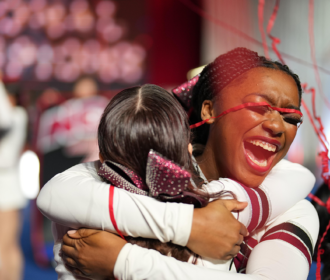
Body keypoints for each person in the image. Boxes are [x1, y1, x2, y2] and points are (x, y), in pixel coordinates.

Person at [37, 48, 319, 279]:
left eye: (291, 118)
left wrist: (123, 261)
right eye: (259, 107)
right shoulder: (143, 167)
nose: (277, 126)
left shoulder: (293, 208)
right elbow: (56, 193)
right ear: (210, 110)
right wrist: (192, 226)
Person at [0, 81, 28, 280]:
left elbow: (4, 120)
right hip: (11, 185)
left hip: (6, 184)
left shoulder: (15, 116)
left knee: (5, 245)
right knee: (8, 245)